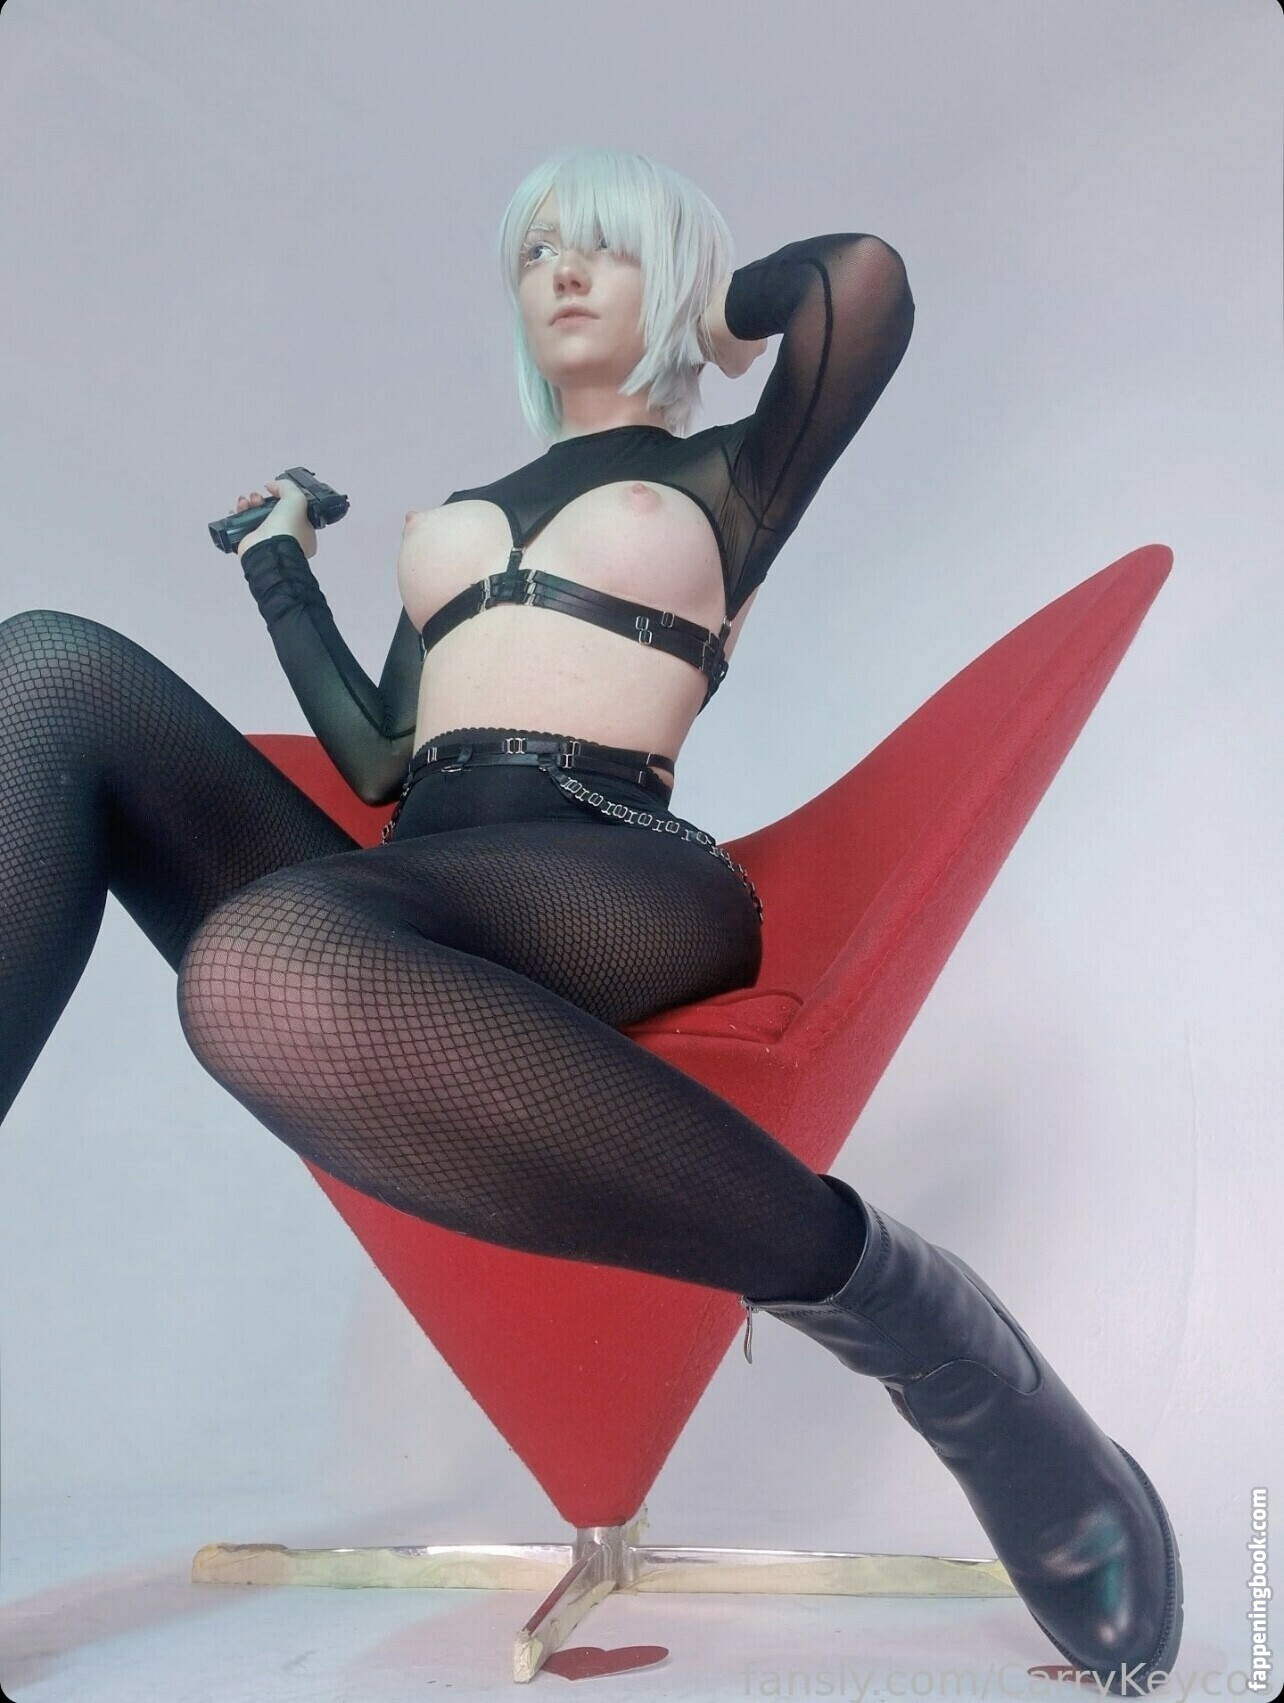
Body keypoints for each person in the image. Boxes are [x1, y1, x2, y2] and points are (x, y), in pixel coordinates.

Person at [0, 144, 1180, 1689]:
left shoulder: (730, 474)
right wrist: (283, 564)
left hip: (612, 870)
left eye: (605, 248)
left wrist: (715, 319)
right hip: (416, 872)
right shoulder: (455, 520)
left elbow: (861, 285)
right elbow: (377, 755)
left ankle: (934, 1336)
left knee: (260, 964)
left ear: (668, 281)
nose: (559, 270)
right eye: (539, 249)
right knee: (48, 667)